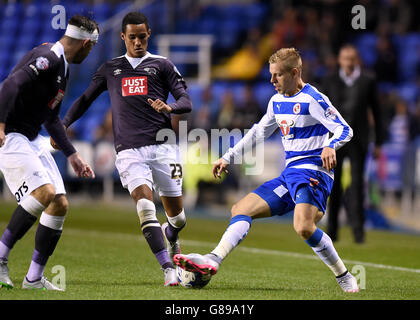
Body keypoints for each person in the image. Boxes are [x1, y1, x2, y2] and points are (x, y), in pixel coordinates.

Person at [174, 48, 359, 293]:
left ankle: (344, 276)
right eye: (271, 75)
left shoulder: (313, 99)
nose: (271, 81)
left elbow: (345, 129)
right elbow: (258, 132)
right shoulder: (276, 101)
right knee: (240, 209)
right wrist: (228, 157)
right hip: (290, 174)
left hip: (313, 172)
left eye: (277, 76)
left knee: (303, 227)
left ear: (294, 73)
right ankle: (213, 259)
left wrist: (330, 145)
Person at [59, 12, 192, 287]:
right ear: (123, 37)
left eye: (142, 37)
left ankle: (173, 236)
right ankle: (168, 269)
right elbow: (84, 99)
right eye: (132, 37)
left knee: (178, 217)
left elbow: (185, 100)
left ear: (149, 35)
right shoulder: (111, 68)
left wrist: (170, 107)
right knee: (145, 206)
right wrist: (64, 124)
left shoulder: (163, 65)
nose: (137, 42)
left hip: (165, 149)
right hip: (129, 150)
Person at [0, 15, 97, 290]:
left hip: (32, 138)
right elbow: (9, 85)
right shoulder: (48, 58)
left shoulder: (62, 68)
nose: (90, 54)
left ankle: (33, 278)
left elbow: (51, 118)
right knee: (44, 192)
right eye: (91, 49)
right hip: (13, 136)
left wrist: (72, 155)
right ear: (87, 43)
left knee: (59, 203)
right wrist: (1, 124)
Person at [322, 44, 384, 243]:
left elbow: (377, 111)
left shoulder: (368, 80)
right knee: (334, 185)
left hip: (359, 140)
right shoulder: (329, 80)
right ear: (339, 60)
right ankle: (332, 232)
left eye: (351, 58)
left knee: (357, 186)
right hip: (336, 141)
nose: (348, 61)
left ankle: (359, 233)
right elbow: (322, 112)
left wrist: (378, 142)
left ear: (356, 59)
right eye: (345, 58)